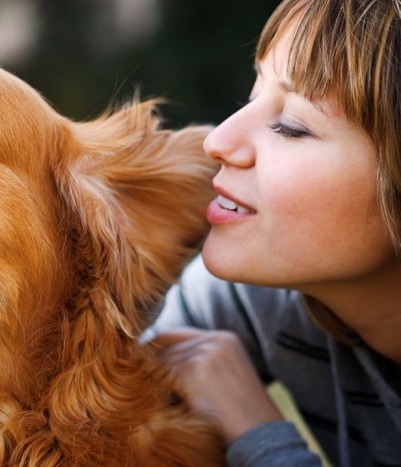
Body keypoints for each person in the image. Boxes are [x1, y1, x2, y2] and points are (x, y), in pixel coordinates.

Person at [143, 0, 401, 466]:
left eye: (292, 127)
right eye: (252, 96)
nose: (217, 141)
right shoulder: (255, 300)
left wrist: (261, 440)